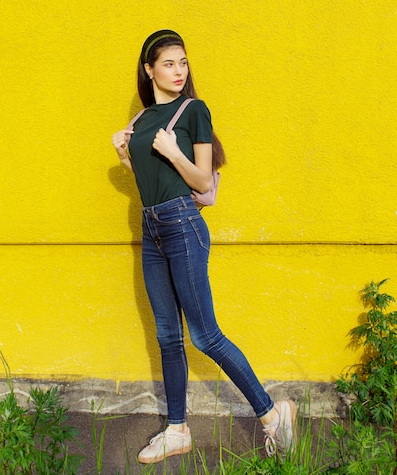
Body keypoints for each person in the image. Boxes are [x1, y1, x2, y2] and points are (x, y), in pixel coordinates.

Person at [112, 30, 297, 464]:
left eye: (183, 63)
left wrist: (174, 153)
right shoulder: (141, 122)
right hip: (153, 227)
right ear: (149, 69)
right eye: (170, 63)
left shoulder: (194, 111)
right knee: (167, 335)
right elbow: (148, 184)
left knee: (204, 334)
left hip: (183, 225)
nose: (179, 71)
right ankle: (177, 430)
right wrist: (124, 154)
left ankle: (272, 416)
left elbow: (200, 180)